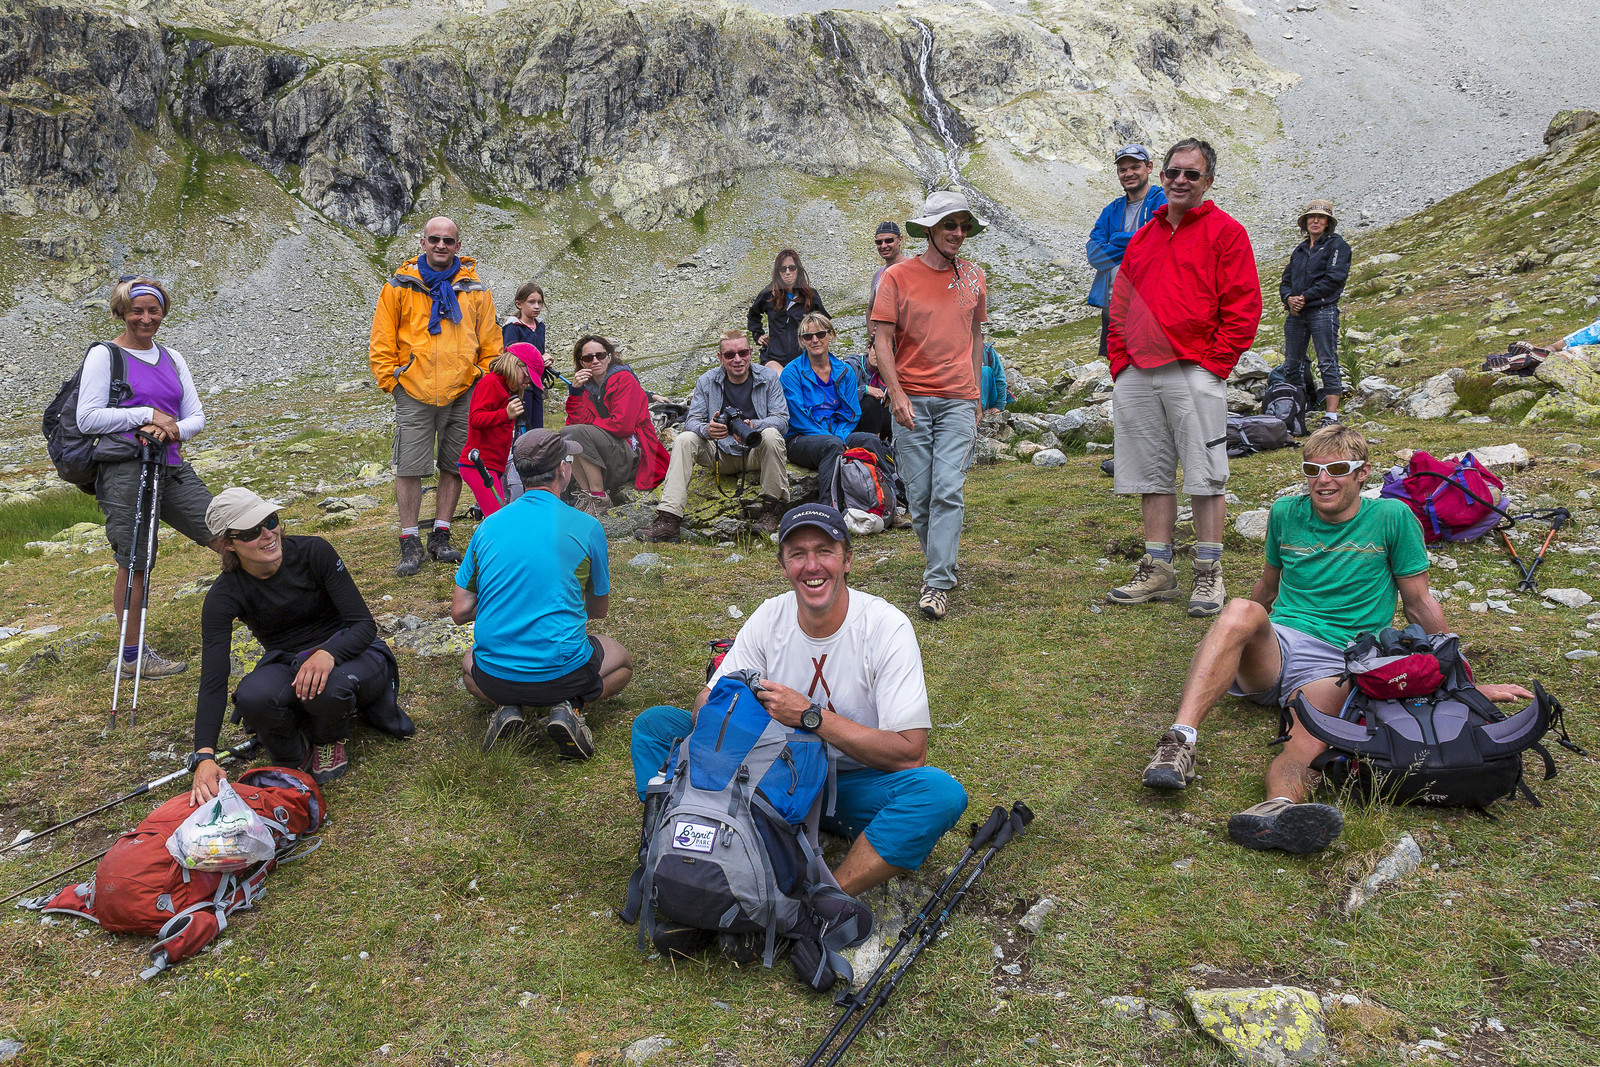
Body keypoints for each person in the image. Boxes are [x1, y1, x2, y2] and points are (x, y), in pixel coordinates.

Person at [1137, 425, 1533, 853]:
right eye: (1313, 470)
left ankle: (1278, 811)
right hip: (1277, 646)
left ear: (1363, 473)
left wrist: (1461, 682)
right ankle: (1179, 742)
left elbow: (1419, 604)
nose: (1323, 480)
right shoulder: (1286, 512)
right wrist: (1231, 640)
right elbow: (1267, 588)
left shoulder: (1392, 517)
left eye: (1337, 469)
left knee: (1307, 739)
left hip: (1337, 663)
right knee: (1238, 610)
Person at [629, 504, 968, 895]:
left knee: (938, 794)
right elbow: (706, 702)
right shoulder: (770, 616)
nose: (812, 566)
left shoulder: (886, 627)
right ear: (783, 564)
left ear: (847, 559)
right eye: (797, 554)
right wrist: (749, 723)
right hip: (767, 771)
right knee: (655, 727)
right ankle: (677, 848)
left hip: (846, 783)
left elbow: (910, 753)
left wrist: (810, 716)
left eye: (825, 551)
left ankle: (825, 897)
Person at [1105, 138, 1262, 619]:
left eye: (1191, 174)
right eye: (1173, 172)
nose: (1180, 180)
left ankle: (1209, 571)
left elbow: (1243, 305)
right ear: (1162, 175)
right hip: (1139, 372)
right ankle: (1158, 568)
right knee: (1150, 474)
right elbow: (1121, 302)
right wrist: (1120, 362)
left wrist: (1213, 367)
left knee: (1206, 473)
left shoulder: (1226, 232)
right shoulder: (1145, 237)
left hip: (1195, 369)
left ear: (1207, 181)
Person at [189, 488, 413, 801]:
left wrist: (329, 654)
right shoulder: (224, 594)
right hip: (289, 662)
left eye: (271, 521)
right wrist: (205, 755)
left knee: (328, 687)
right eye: (252, 531)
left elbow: (363, 625)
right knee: (252, 697)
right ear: (228, 543)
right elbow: (213, 678)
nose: (268, 534)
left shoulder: (314, 552)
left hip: (352, 650)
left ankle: (328, 738)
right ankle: (294, 754)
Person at [452, 430, 635, 760]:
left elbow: (460, 610)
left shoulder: (487, 527)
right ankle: (569, 706)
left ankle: (508, 707)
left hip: (497, 678)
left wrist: (510, 599)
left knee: (469, 665)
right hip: (564, 673)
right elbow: (598, 609)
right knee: (621, 661)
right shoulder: (587, 526)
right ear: (562, 470)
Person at [78, 276, 220, 679]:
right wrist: (147, 415)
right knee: (136, 561)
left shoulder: (172, 357)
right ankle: (131, 656)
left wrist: (168, 430)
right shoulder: (105, 355)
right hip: (125, 470)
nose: (145, 318)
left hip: (170, 464)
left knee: (225, 533)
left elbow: (196, 417)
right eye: (136, 310)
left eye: (153, 310)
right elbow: (87, 418)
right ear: (121, 312)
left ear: (163, 312)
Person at [870, 190, 989, 622]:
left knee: (947, 490)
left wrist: (976, 394)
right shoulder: (897, 277)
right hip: (911, 401)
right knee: (920, 498)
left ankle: (937, 582)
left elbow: (975, 337)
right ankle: (941, 562)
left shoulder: (974, 276)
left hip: (958, 399)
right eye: (949, 225)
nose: (958, 233)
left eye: (963, 226)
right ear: (929, 230)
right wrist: (897, 394)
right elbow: (882, 340)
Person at [369, 216, 502, 576]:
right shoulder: (399, 286)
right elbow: (381, 341)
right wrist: (393, 382)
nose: (441, 245)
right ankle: (409, 540)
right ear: (423, 243)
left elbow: (491, 343)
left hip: (463, 390)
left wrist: (480, 378)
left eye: (448, 240)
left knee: (454, 464)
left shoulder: (475, 290)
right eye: (434, 239)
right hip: (414, 390)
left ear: (458, 246)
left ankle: (441, 534)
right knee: (410, 466)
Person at [635, 330, 791, 543]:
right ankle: (669, 519)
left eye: (743, 352)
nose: (737, 359)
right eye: (730, 355)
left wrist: (754, 426)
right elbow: (691, 421)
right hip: (719, 454)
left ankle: (771, 510)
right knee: (684, 439)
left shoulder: (769, 377)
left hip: (755, 453)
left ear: (751, 352)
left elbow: (782, 420)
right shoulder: (707, 381)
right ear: (720, 357)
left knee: (772, 434)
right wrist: (708, 430)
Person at [780, 313, 893, 510]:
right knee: (831, 446)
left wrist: (839, 437)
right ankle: (829, 510)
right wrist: (834, 439)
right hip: (800, 438)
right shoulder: (791, 372)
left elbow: (851, 413)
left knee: (871, 441)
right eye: (808, 336)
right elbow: (797, 417)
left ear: (830, 335)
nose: (815, 340)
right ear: (802, 341)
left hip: (838, 434)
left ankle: (890, 501)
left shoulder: (844, 371)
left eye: (820, 334)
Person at [560, 334, 669, 516]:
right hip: (612, 453)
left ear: (609, 357)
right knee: (567, 434)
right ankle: (587, 495)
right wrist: (575, 393)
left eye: (600, 355)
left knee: (576, 433)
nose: (595, 361)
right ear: (581, 363)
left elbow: (622, 426)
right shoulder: (587, 388)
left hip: (636, 454)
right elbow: (573, 424)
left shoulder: (624, 379)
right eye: (588, 358)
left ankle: (599, 498)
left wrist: (590, 424)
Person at [1085, 145, 1167, 361]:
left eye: (1135, 167)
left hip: (1153, 303)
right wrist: (1139, 241)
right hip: (1114, 306)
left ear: (1149, 167)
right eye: (1122, 169)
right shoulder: (1111, 210)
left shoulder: (1163, 200)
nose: (1128, 173)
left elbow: (1161, 240)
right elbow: (1095, 254)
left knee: (1155, 362)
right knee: (1119, 365)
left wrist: (1116, 238)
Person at [1279, 200, 1352, 425]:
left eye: (1321, 217)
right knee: (1292, 364)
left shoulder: (1338, 246)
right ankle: (1295, 411)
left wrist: (1304, 297)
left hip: (1322, 310)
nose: (1316, 221)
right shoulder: (1300, 250)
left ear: (1328, 222)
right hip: (1296, 314)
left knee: (1327, 360)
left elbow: (1335, 278)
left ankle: (1331, 415)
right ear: (1306, 222)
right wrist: (1288, 298)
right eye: (1312, 217)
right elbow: (1286, 280)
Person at [459, 351, 530, 517]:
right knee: (497, 519)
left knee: (498, 515)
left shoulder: (504, 388)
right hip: (478, 465)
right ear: (515, 365)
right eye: (526, 377)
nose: (526, 384)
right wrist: (505, 414)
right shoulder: (491, 382)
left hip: (493, 466)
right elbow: (475, 419)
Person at [747, 249, 827, 371]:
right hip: (774, 357)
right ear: (778, 272)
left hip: (805, 357)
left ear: (798, 269)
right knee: (783, 380)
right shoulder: (769, 294)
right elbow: (753, 315)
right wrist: (758, 334)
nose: (787, 272)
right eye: (783, 269)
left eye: (792, 268)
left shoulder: (810, 295)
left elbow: (824, 322)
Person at [502, 282, 548, 433]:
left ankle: (538, 447)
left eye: (540, 302)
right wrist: (539, 359)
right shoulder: (512, 327)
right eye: (531, 302)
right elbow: (511, 357)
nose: (537, 306)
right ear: (519, 304)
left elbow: (540, 352)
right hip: (521, 385)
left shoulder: (540, 327)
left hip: (537, 383)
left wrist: (546, 360)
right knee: (523, 425)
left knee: (538, 426)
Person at [867, 221, 910, 354]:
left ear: (900, 240)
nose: (883, 246)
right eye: (879, 242)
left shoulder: (912, 268)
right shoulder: (878, 274)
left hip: (909, 344)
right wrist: (873, 339)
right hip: (886, 346)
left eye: (889, 240)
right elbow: (870, 309)